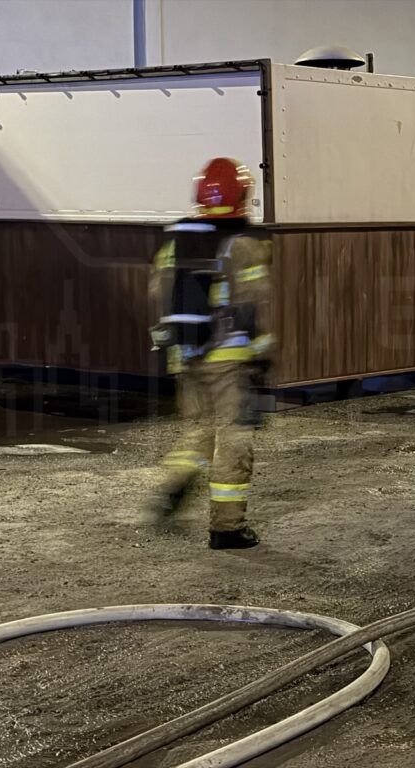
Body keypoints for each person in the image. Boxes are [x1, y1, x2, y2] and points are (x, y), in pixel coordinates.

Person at [147, 157, 273, 549]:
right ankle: (227, 527)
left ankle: (174, 485)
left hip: (186, 356)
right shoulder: (244, 244)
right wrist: (262, 353)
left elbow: (157, 293)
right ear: (243, 196)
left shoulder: (176, 240)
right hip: (230, 361)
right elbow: (255, 303)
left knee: (200, 430)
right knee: (234, 438)